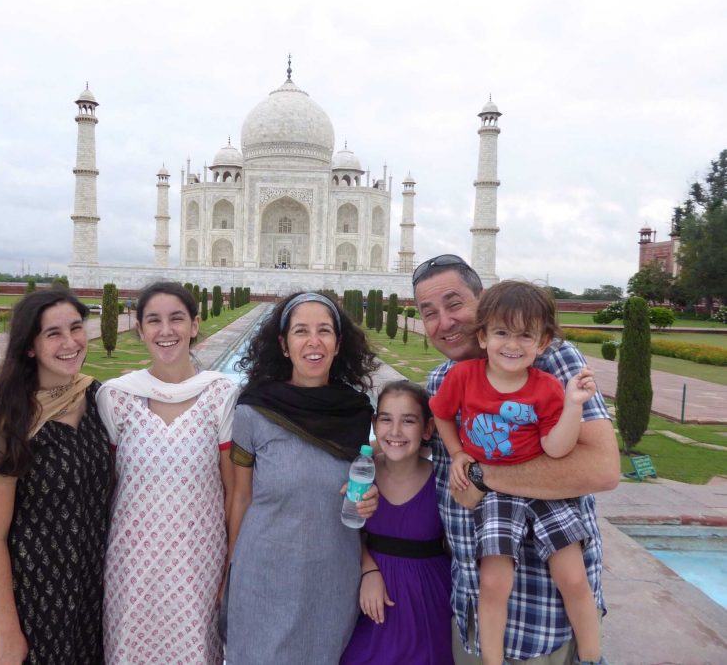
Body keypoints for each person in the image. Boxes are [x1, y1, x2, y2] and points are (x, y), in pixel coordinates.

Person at [413, 254, 619, 665]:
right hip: (473, 608)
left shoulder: (551, 361)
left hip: (546, 616)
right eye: (429, 313)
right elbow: (436, 474)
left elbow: (603, 469)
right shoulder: (442, 380)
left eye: (454, 304)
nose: (444, 322)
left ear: (482, 302)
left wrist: (481, 474)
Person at [0, 289, 111, 664]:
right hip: (37, 594)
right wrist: (9, 632)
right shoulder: (13, 422)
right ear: (30, 346)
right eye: (53, 334)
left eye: (76, 328)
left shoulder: (96, 398)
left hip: (94, 586)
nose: (70, 342)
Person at [225, 291, 380, 665]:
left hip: (331, 572)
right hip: (263, 572)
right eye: (301, 331)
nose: (314, 341)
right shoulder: (254, 410)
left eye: (324, 331)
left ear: (338, 343)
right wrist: (232, 571)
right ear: (283, 343)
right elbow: (240, 497)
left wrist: (370, 498)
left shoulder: (356, 413)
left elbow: (361, 487)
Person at [97, 281, 238, 664]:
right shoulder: (117, 397)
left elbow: (234, 492)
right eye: (154, 321)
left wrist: (230, 568)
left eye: (176, 319)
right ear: (140, 329)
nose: (166, 331)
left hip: (199, 563)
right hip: (131, 564)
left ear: (194, 325)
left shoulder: (220, 395)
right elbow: (105, 487)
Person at [340, 380, 453, 665]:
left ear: (427, 429)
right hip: (370, 601)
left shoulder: (443, 479)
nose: (395, 431)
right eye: (387, 420)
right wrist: (368, 571)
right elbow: (347, 534)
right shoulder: (362, 474)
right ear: (375, 425)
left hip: (427, 604)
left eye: (409, 421)